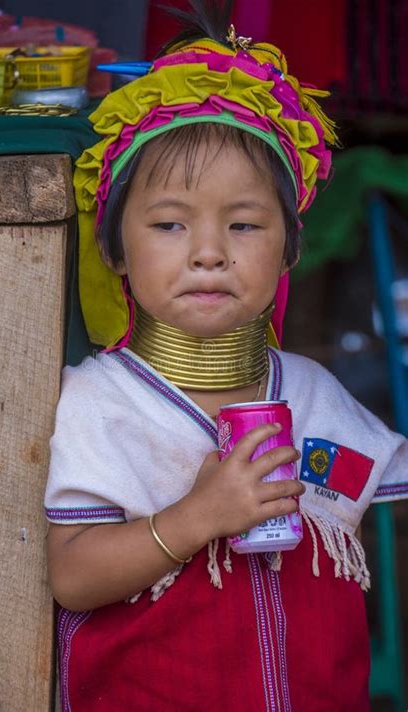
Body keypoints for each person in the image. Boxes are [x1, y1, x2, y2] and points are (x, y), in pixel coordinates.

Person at [44, 3, 408, 710]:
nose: (209, 252)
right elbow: (72, 577)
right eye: (171, 224)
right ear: (116, 249)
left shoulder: (313, 394)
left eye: (243, 224)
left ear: (289, 249)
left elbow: (383, 478)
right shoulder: (102, 404)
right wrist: (195, 517)